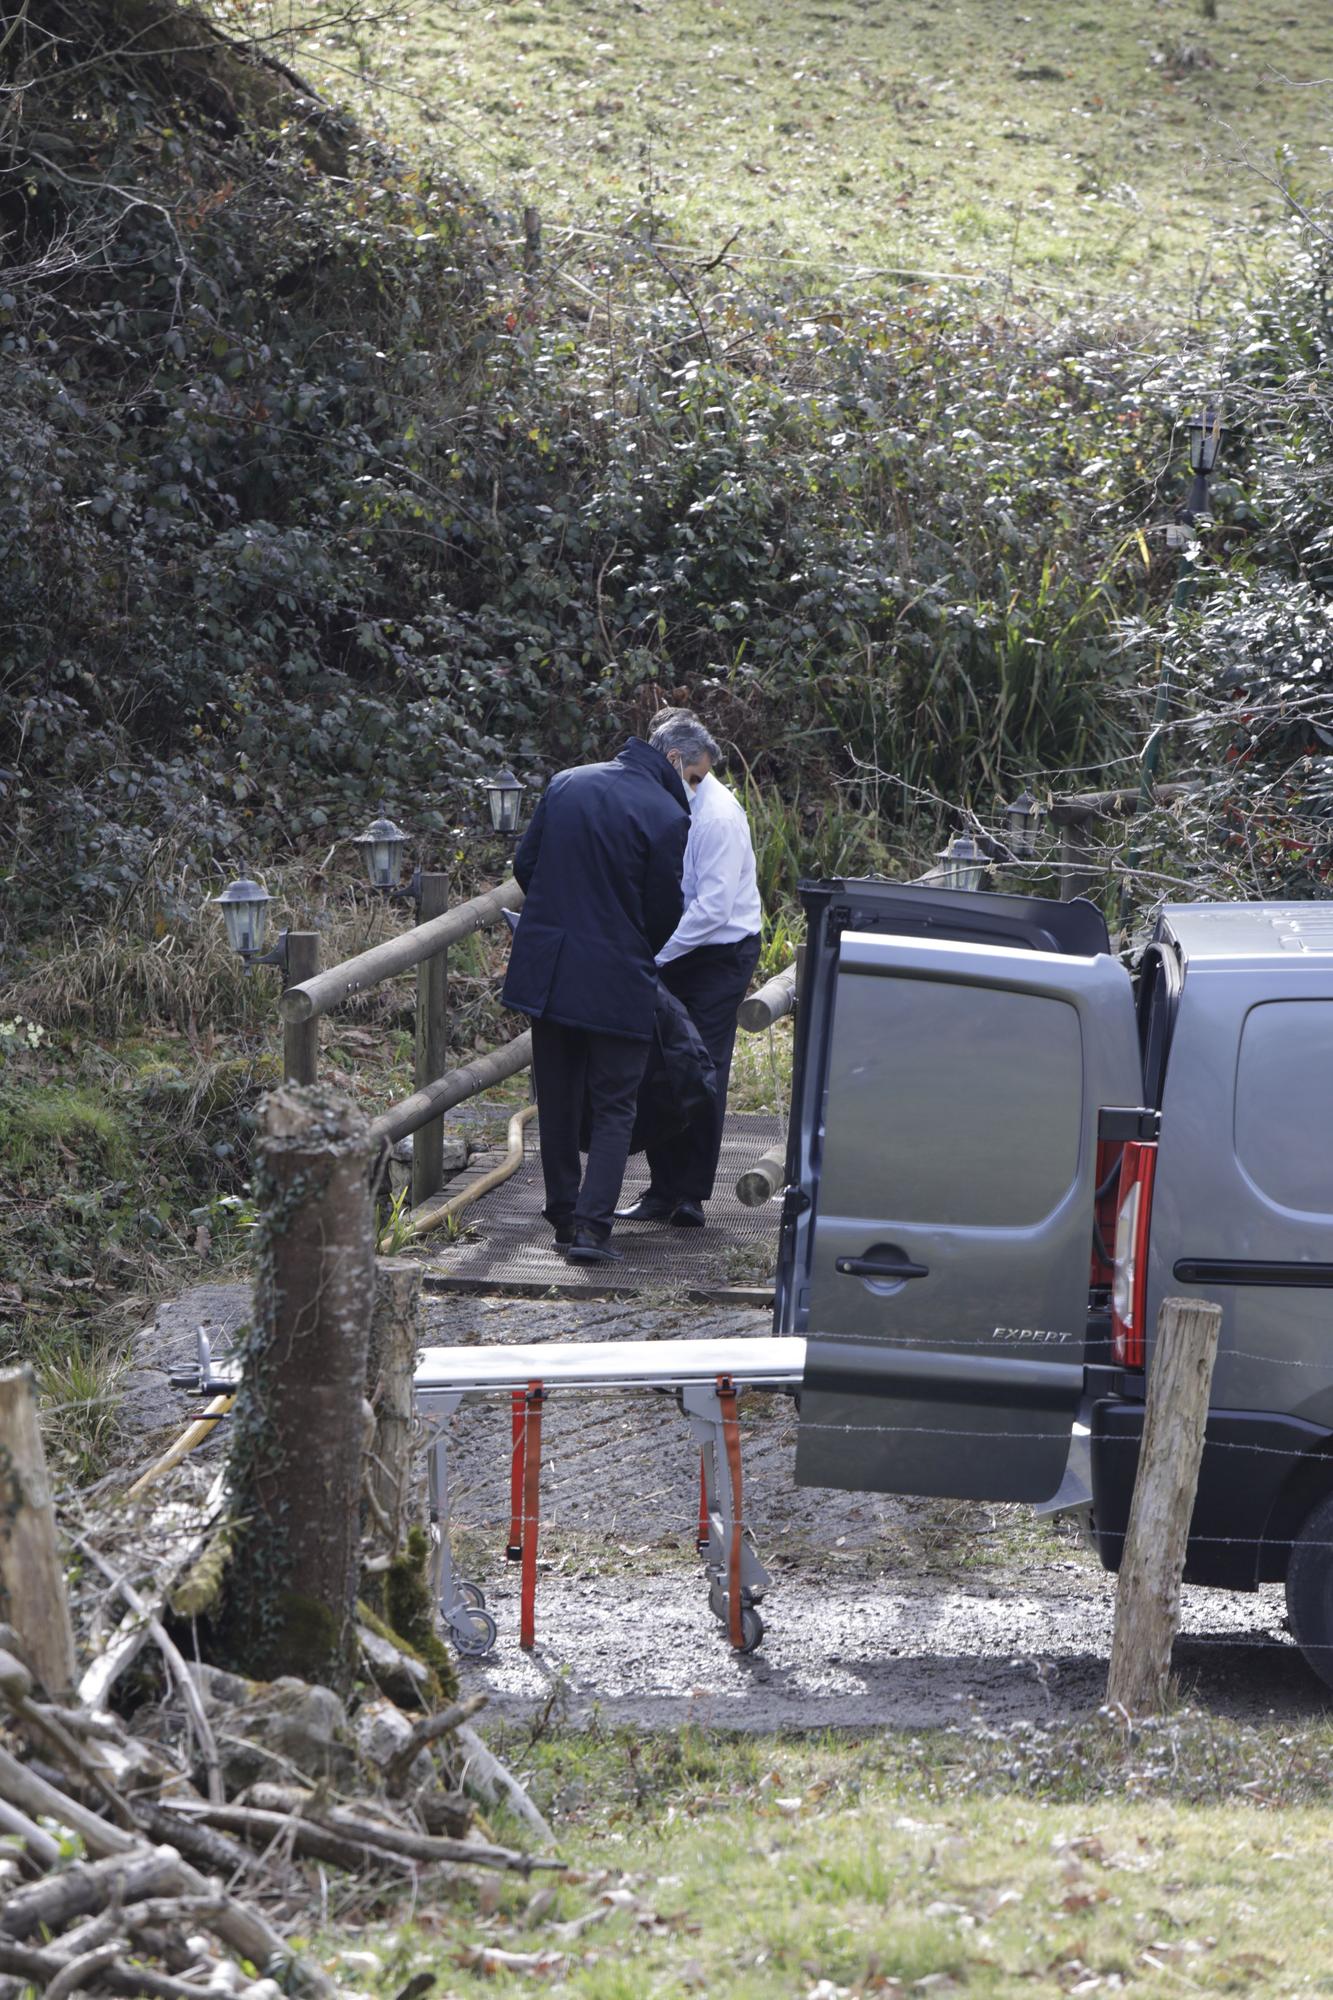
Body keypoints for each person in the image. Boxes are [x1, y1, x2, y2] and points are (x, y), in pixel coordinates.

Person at [501, 734, 691, 1265]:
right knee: (614, 1105)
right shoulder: (665, 814)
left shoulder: (567, 782)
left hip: (553, 972)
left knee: (557, 1099)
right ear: (672, 760)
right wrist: (630, 943)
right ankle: (591, 1230)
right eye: (690, 776)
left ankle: (562, 1214)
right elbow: (665, 911)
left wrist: (555, 921)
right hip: (617, 977)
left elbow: (526, 865)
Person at [616, 711, 763, 1228]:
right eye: (692, 772)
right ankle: (661, 1188)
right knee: (657, 1063)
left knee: (700, 1068)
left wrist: (654, 958)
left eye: (698, 775)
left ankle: (690, 1196)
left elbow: (713, 910)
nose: (695, 782)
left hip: (719, 954)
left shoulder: (718, 814)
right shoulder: (664, 800)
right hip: (676, 945)